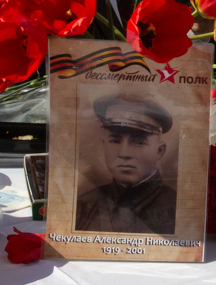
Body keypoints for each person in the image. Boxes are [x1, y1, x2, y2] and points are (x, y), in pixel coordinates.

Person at [75, 93, 177, 235]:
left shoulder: (178, 207)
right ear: (104, 145)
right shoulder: (83, 206)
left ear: (159, 151)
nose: (124, 154)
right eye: (115, 141)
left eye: (138, 142)